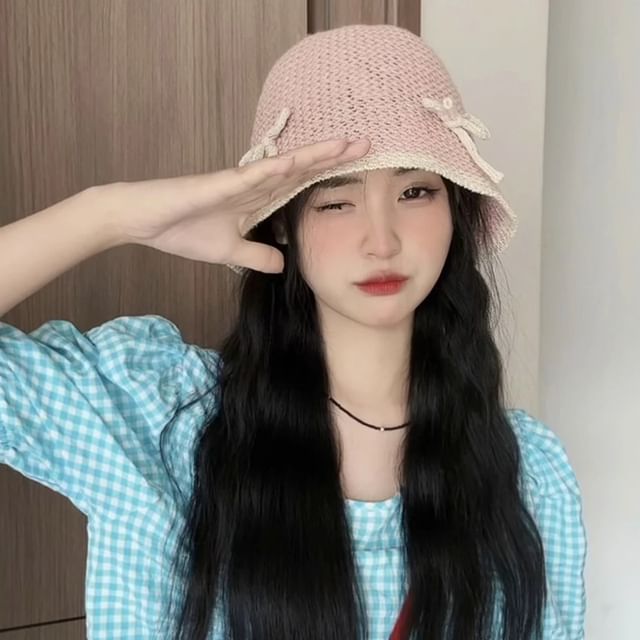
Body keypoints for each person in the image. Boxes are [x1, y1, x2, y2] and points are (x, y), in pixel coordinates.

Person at [0, 24, 586, 640]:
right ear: (282, 224)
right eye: (335, 201)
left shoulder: (528, 472)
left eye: (415, 191)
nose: (381, 240)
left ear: (455, 211)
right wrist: (111, 215)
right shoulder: (157, 412)